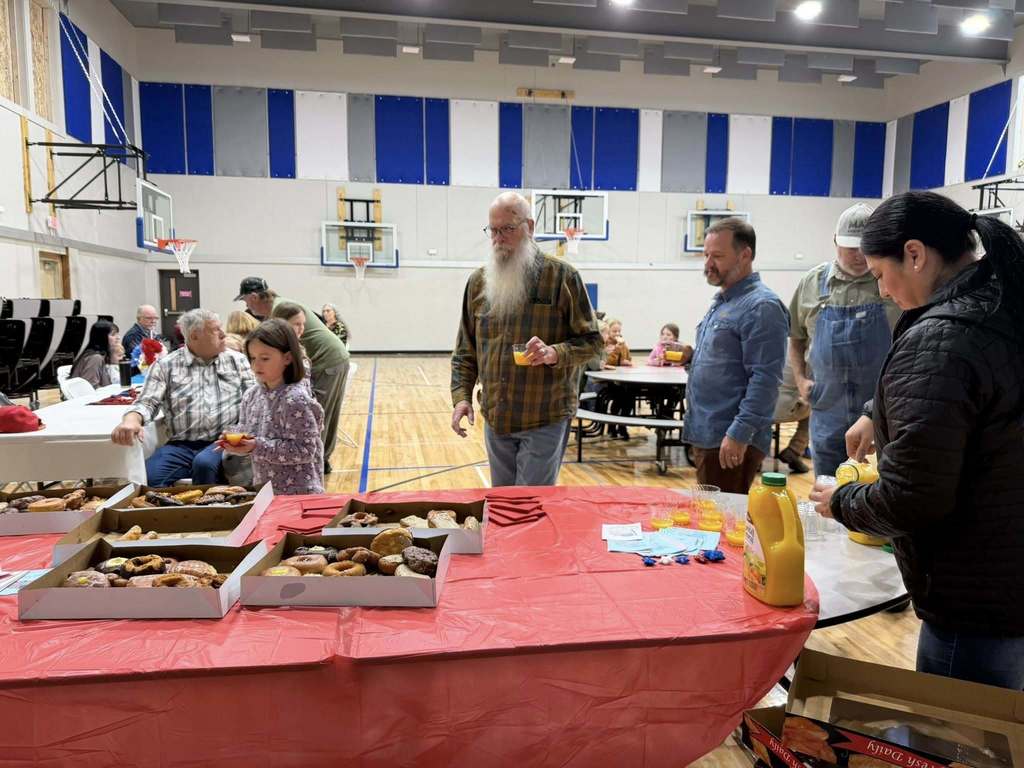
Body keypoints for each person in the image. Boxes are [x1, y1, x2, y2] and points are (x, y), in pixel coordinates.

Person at [811, 192, 1024, 690]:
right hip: (1009, 568)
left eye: (881, 273)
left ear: (915, 254)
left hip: (973, 596)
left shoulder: (942, 337)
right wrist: (877, 412)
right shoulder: (1004, 300)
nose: (882, 291)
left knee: (960, 740)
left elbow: (911, 501)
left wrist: (841, 502)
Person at [450, 191, 602, 486]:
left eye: (507, 228)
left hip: (543, 417)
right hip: (497, 418)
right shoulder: (478, 283)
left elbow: (593, 343)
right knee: (504, 506)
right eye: (493, 230)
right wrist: (461, 397)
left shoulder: (562, 277)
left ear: (529, 227)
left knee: (529, 507)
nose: (498, 238)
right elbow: (465, 351)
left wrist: (554, 353)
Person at [788, 204, 901, 476]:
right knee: (826, 489)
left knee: (876, 489)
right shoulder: (812, 283)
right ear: (835, 241)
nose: (858, 255)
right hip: (827, 409)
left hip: (880, 411)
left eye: (864, 246)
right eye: (850, 246)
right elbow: (795, 336)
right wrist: (801, 380)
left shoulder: (894, 282)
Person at [684, 217, 788, 494]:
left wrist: (739, 433)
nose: (708, 263)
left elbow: (766, 379)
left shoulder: (762, 307)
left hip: (729, 437)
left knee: (723, 522)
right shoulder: (724, 302)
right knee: (713, 518)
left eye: (717, 256)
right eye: (706, 255)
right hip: (708, 431)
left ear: (745, 255)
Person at [111, 309, 256, 486]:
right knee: (149, 477)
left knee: (204, 464)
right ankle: (165, 512)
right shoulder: (166, 365)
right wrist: (131, 420)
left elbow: (254, 401)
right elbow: (148, 401)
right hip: (181, 445)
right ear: (194, 336)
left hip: (223, 442)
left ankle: (208, 511)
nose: (223, 334)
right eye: (216, 330)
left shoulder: (237, 360)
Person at [236, 277, 350, 474]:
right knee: (325, 413)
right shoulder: (281, 305)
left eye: (245, 300)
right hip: (331, 357)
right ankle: (320, 461)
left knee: (320, 415)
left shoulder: (280, 311)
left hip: (326, 360)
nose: (246, 305)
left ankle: (318, 462)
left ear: (254, 297)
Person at [219, 319, 324, 495]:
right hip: (266, 489)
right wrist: (235, 440)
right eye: (252, 358)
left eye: (265, 358)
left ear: (288, 358)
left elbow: (305, 450)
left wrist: (256, 446)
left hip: (299, 494)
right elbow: (250, 432)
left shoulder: (295, 400)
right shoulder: (252, 395)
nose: (256, 365)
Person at [772, 363, 810, 474]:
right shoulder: (807, 356)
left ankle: (754, 452)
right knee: (817, 408)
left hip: (762, 408)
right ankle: (795, 449)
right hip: (787, 409)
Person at [271, 301, 314, 393]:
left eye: (303, 324)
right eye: (297, 324)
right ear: (282, 324)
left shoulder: (297, 345)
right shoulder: (273, 348)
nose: (302, 328)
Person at [69, 321, 121, 388]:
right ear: (102, 337)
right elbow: (90, 388)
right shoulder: (95, 358)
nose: (118, 337)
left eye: (117, 334)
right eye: (113, 334)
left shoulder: (99, 355)